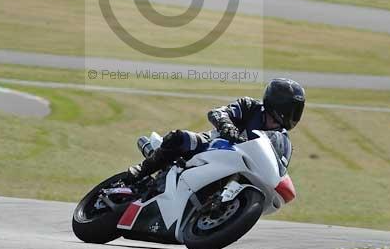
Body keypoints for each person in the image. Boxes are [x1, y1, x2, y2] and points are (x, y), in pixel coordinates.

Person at [127, 78, 305, 182]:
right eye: (293, 108)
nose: (295, 114)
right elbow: (218, 113)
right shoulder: (250, 106)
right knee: (180, 138)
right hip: (212, 146)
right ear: (279, 104)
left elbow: (278, 168)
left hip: (240, 168)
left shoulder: (282, 139)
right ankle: (141, 171)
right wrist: (227, 126)